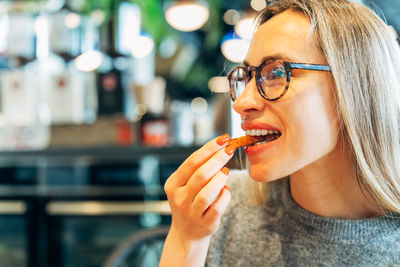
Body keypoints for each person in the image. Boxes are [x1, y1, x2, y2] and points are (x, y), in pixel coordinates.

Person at [159, 0, 400, 266]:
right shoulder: (216, 208)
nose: (241, 103)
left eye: (275, 73)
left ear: (355, 89)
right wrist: (187, 239)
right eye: (247, 76)